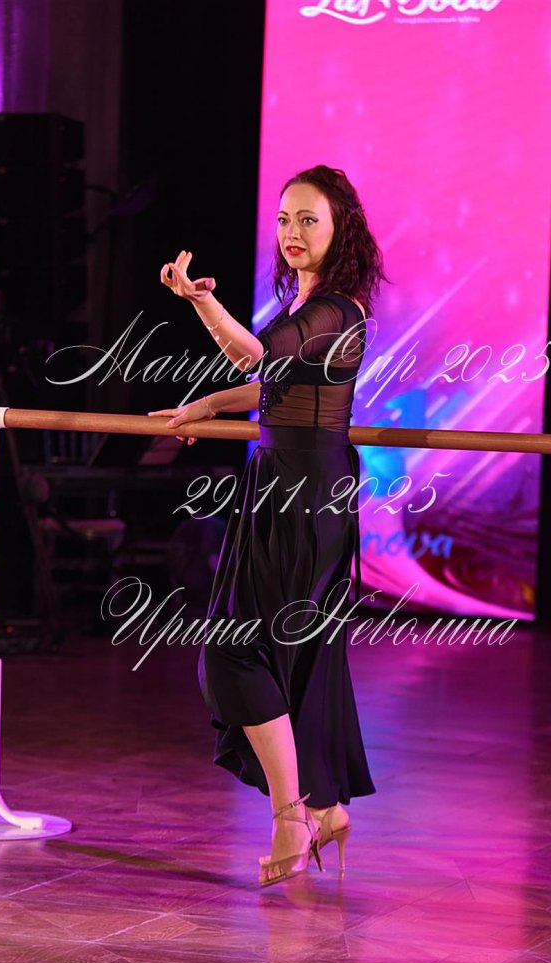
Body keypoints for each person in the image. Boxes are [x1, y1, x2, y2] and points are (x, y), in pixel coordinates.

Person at [149, 165, 390, 886]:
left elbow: (257, 355)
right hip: (283, 482)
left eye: (309, 219)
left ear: (341, 229)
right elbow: (271, 384)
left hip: (305, 491)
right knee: (294, 655)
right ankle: (326, 808)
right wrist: (210, 405)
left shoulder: (335, 310)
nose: (292, 231)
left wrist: (200, 303)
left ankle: (293, 813)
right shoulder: (312, 305)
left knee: (233, 650)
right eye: (285, 218)